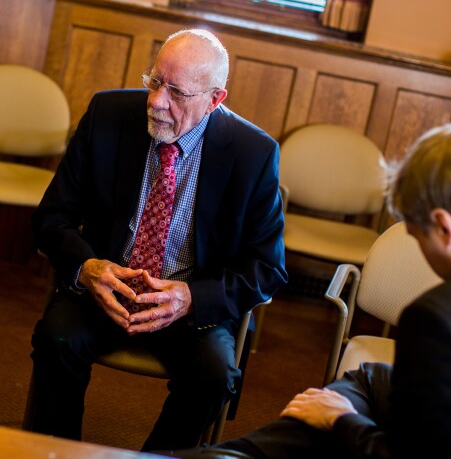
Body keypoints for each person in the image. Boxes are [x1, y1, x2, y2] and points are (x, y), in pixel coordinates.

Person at [170, 122, 451, 458]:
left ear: (445, 228)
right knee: (365, 380)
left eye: (418, 238)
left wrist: (341, 421)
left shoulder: (440, 317)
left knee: (323, 418)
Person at [28, 28, 287, 451]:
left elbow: (267, 268)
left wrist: (190, 298)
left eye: (176, 92)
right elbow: (51, 217)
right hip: (105, 289)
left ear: (215, 99)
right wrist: (87, 268)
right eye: (154, 81)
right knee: (56, 339)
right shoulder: (108, 114)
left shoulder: (252, 153)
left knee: (216, 374)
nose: (156, 101)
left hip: (191, 304)